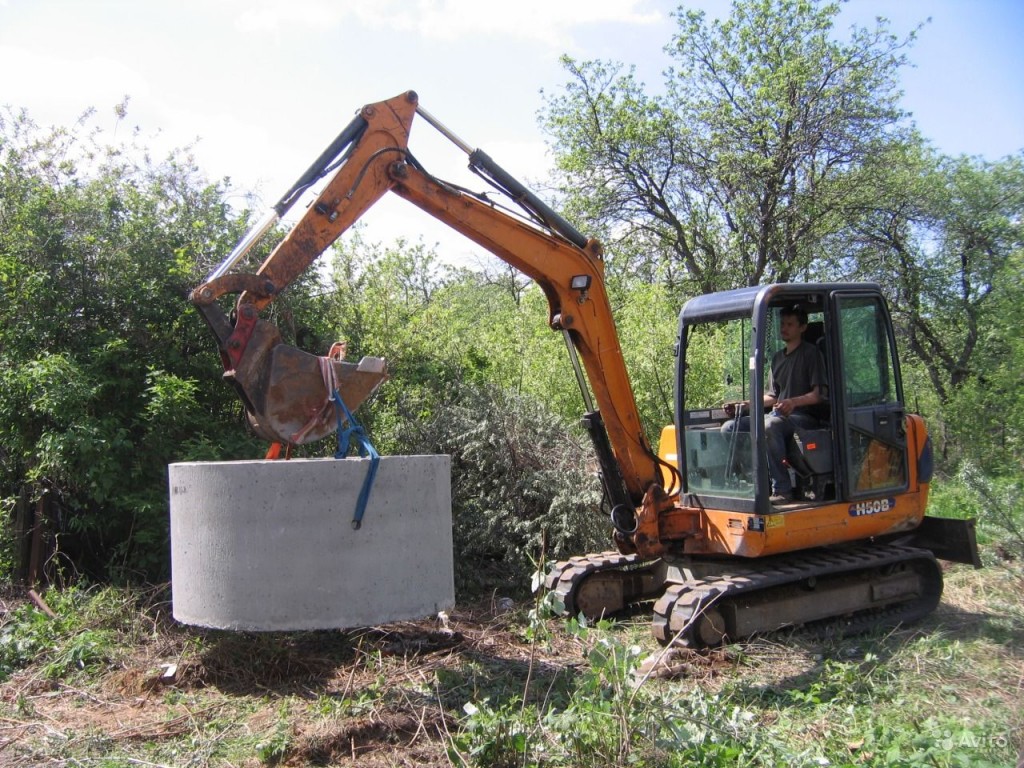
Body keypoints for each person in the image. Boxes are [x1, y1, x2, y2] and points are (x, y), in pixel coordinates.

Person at [722, 304, 826, 504]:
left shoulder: (811, 354)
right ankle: (755, 483)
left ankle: (782, 490)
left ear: (802, 328)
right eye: (782, 324)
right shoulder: (778, 358)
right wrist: (743, 406)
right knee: (730, 427)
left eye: (790, 324)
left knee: (769, 424)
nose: (784, 328)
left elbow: (818, 395)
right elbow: (773, 396)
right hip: (779, 415)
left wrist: (793, 402)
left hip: (804, 417)